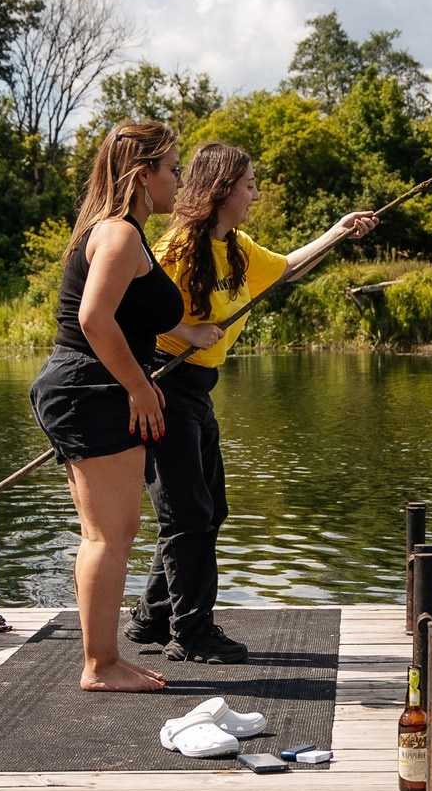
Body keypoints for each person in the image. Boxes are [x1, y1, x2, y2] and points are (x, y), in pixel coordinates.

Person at [127, 141, 377, 661]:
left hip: (199, 390)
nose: (256, 195)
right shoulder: (174, 250)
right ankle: (191, 633)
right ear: (221, 191)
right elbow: (130, 313)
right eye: (249, 186)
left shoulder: (236, 247)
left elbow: (286, 268)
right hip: (163, 386)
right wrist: (182, 336)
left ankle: (153, 618)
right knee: (187, 514)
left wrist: (337, 232)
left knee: (206, 508)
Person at [28, 120, 222, 692]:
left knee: (116, 529)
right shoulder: (117, 233)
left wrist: (187, 328)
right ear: (144, 176)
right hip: (90, 388)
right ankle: (99, 666)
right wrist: (140, 387)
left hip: (90, 385)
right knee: (107, 535)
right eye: (173, 169)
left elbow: (132, 309)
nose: (180, 180)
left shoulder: (122, 233)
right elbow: (93, 320)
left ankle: (106, 657)